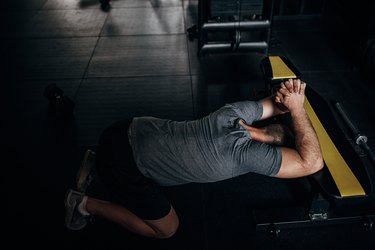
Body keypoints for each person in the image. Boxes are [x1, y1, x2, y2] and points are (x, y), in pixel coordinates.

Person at [64, 79, 323, 239]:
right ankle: (84, 204)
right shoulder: (248, 156)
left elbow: (275, 104)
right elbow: (311, 163)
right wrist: (297, 109)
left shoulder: (235, 112)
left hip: (123, 130)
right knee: (166, 230)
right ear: (275, 150)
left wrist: (289, 99)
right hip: (124, 165)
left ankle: (95, 162)